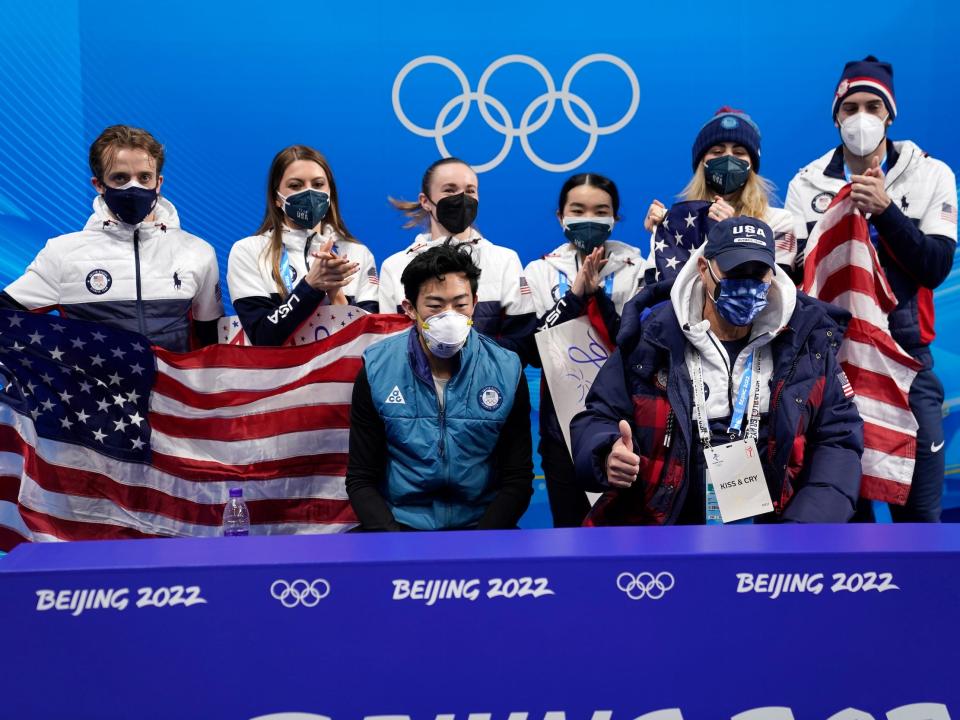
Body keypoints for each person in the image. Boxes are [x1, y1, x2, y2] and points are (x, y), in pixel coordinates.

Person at [572, 217, 863, 525]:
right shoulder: (652, 340)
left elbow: (839, 437)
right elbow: (597, 416)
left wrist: (806, 526)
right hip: (665, 530)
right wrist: (606, 452)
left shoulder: (806, 343)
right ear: (703, 269)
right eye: (735, 272)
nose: (747, 284)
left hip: (777, 532)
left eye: (757, 273)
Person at [784, 56, 957, 522]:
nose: (860, 117)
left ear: (890, 114)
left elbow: (935, 265)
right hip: (835, 366)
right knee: (846, 523)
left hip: (906, 360)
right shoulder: (806, 182)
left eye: (872, 106)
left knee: (920, 521)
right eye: (850, 107)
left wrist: (885, 212)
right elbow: (802, 274)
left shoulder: (931, 173)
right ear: (836, 116)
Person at [346, 242, 533, 530]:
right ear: (409, 308)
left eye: (460, 304)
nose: (451, 316)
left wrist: (476, 545)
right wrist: (397, 544)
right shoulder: (376, 369)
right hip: (400, 524)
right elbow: (361, 479)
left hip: (480, 525)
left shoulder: (507, 369)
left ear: (475, 302)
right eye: (435, 306)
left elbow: (517, 480)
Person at [0, 125, 222, 351]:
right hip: (93, 386)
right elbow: (5, 315)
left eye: (144, 177)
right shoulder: (62, 254)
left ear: (158, 183)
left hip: (171, 386)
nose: (133, 187)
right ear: (99, 185)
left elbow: (211, 342)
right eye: (120, 178)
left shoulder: (198, 252)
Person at [523, 173, 644, 526]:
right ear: (560, 216)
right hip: (561, 424)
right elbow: (533, 349)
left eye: (600, 210)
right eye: (578, 210)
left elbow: (636, 345)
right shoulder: (540, 271)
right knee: (571, 530)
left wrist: (598, 297)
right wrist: (575, 296)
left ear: (615, 219)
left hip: (626, 421)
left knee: (626, 530)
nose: (589, 218)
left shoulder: (636, 269)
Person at [379, 157, 536, 361]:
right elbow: (388, 346)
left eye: (470, 190)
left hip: (488, 388)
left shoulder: (505, 260)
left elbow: (522, 343)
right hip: (418, 387)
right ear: (425, 201)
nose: (461, 197)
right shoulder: (395, 266)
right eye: (450, 190)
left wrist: (469, 364)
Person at [227, 145, 378, 346]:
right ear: (276, 199)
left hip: (341, 376)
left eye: (317, 184)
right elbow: (262, 336)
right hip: (282, 376)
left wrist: (336, 293)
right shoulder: (248, 251)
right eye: (296, 186)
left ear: (330, 192)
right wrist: (310, 286)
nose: (309, 193)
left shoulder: (358, 253)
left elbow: (368, 341)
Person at [643, 107, 798, 282]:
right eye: (717, 152)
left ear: (751, 165)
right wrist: (664, 230)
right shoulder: (679, 225)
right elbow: (654, 289)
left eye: (739, 153)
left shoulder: (778, 221)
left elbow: (779, 289)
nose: (728, 159)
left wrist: (732, 233)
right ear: (702, 162)